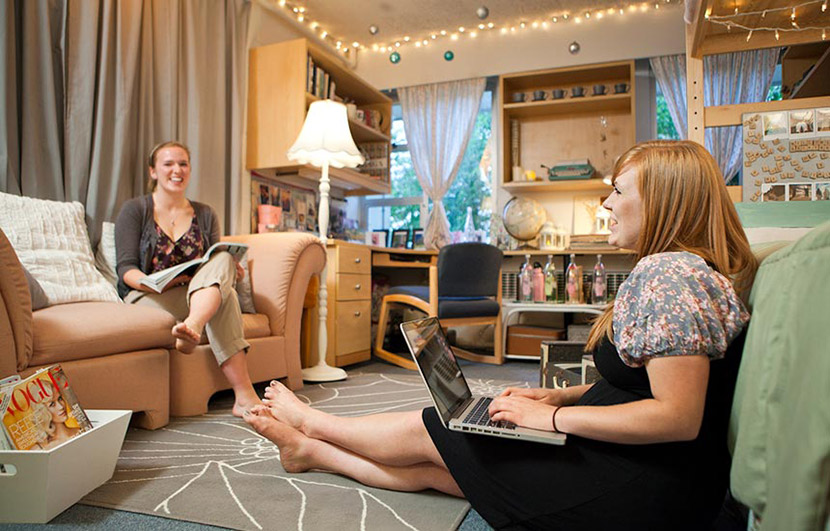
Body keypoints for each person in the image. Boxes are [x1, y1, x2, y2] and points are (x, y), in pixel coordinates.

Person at [243, 140, 758, 529]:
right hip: (649, 469)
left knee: (437, 430)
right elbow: (642, 384)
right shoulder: (685, 271)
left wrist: (553, 416)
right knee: (450, 464)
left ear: (665, 202)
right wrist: (555, 395)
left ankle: (312, 423)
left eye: (618, 191)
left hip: (647, 487)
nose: (605, 203)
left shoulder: (672, 275)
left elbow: (678, 416)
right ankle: (309, 452)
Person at [115, 141, 261, 417]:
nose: (177, 170)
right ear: (153, 172)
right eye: (168, 164)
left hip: (195, 296)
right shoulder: (135, 210)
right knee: (224, 296)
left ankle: (192, 326)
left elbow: (214, 259)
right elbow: (126, 269)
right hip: (148, 296)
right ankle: (244, 396)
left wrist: (231, 268)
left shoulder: (205, 214)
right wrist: (156, 282)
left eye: (183, 164)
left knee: (222, 263)